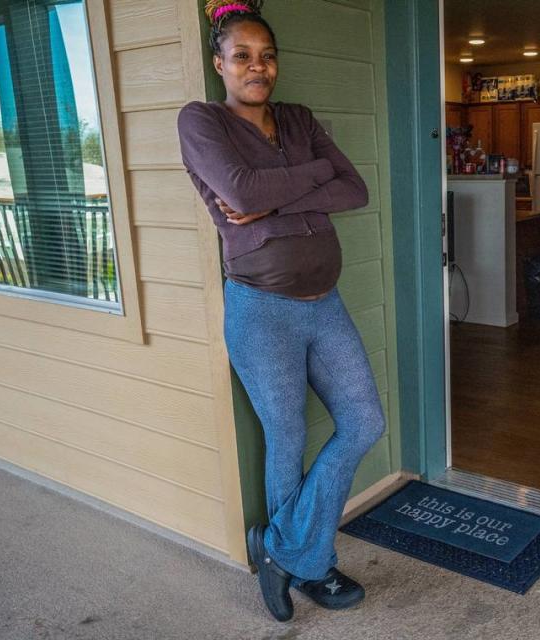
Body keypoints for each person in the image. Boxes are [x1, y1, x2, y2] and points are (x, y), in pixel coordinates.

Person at [176, 0, 384, 622]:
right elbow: (239, 190)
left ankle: (280, 547)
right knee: (287, 438)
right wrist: (309, 178)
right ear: (220, 64)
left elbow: (353, 187)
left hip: (326, 306)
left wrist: (273, 205)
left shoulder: (297, 118)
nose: (257, 67)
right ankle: (311, 563)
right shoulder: (202, 121)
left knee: (364, 421)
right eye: (242, 56)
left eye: (267, 56)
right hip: (261, 309)